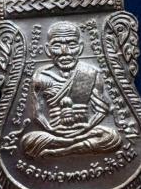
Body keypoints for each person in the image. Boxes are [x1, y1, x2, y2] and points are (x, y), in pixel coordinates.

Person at [21, 21, 121, 158]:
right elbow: (37, 113)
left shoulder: (90, 73)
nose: (65, 51)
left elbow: (101, 110)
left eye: (72, 45)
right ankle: (73, 146)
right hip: (54, 133)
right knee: (28, 142)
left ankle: (62, 150)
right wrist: (51, 130)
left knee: (112, 137)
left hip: (84, 131)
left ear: (80, 48)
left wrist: (86, 129)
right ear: (48, 50)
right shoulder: (41, 76)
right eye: (57, 46)